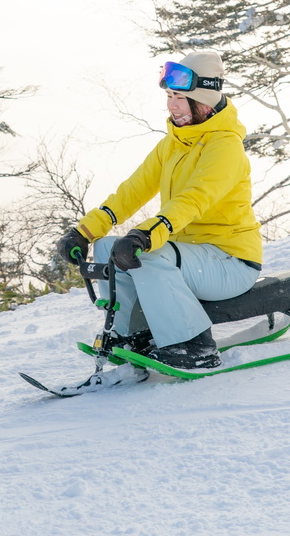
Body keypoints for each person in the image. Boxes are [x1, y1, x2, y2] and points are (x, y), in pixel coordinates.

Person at [57, 50, 263, 369]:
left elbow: (193, 199)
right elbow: (133, 190)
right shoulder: (173, 143)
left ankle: (193, 345)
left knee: (148, 254)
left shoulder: (225, 147)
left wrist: (145, 236)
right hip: (193, 258)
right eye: (169, 96)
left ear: (204, 101)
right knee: (107, 246)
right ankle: (129, 335)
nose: (171, 106)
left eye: (179, 97)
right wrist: (85, 231)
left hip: (231, 262)